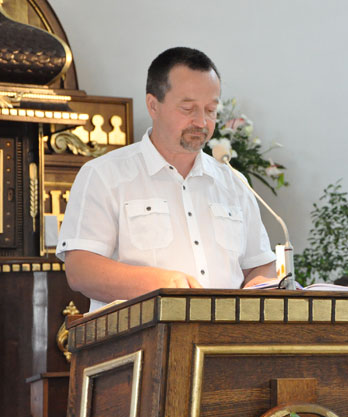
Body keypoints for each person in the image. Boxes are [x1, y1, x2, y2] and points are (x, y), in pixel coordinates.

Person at [57, 47, 276, 311]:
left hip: (222, 333)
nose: (201, 122)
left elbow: (260, 265)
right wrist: (163, 285)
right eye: (188, 108)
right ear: (153, 105)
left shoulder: (233, 183)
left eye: (210, 110)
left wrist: (258, 289)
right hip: (139, 334)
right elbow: (81, 270)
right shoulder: (104, 175)